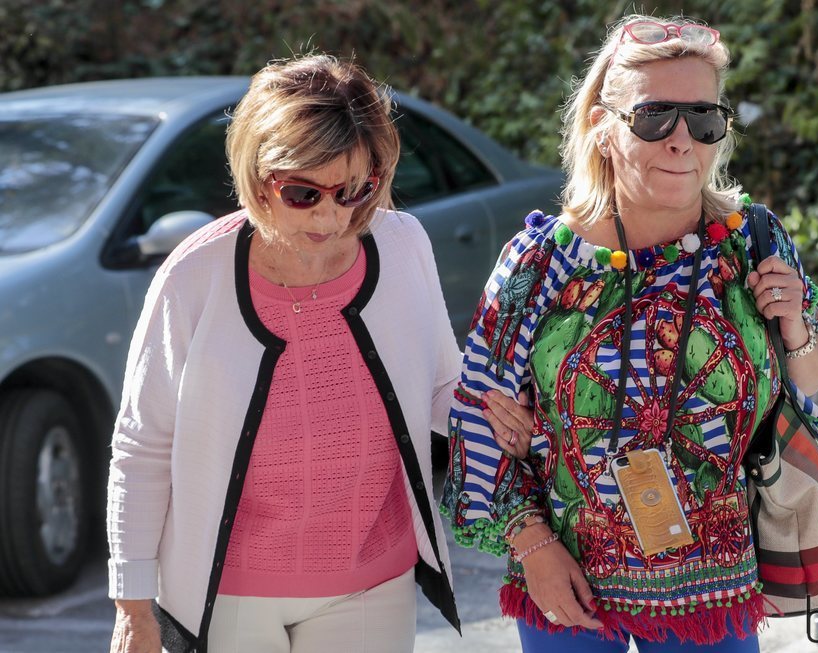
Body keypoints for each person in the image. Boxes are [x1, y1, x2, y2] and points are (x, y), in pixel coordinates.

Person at [441, 14, 818, 653]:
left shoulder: (752, 242)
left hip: (715, 592)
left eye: (704, 120)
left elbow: (812, 376)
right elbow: (477, 422)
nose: (683, 141)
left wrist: (794, 326)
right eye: (655, 118)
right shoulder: (541, 264)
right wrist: (534, 547)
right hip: (566, 587)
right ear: (602, 127)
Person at [105, 53, 527, 653]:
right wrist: (133, 602)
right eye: (303, 193)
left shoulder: (403, 245)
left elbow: (438, 387)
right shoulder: (192, 278)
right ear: (257, 177)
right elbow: (143, 444)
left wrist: (487, 411)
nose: (333, 215)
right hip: (227, 590)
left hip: (370, 578)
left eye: (357, 189)